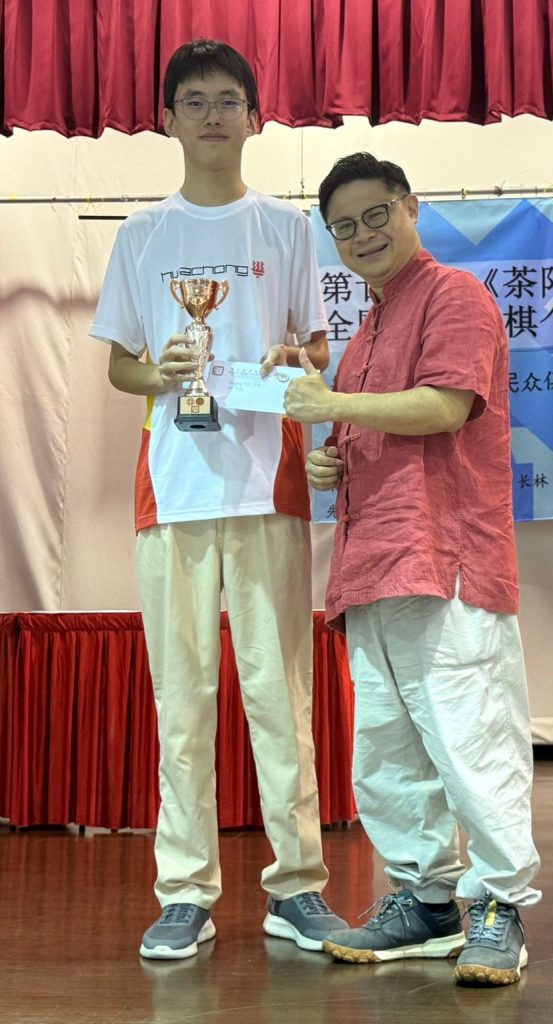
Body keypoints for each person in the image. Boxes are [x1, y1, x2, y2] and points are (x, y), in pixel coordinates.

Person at [89, 38, 346, 960]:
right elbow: (121, 366)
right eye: (192, 100)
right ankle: (185, 893)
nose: (210, 115)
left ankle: (297, 886)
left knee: (281, 697)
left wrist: (293, 358)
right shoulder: (142, 235)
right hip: (173, 489)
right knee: (184, 700)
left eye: (226, 100)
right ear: (167, 118)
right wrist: (160, 372)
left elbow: (316, 349)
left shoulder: (287, 228)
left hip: (268, 484)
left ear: (253, 116)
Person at [283, 152, 541, 987]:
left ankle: (498, 904)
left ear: (410, 208)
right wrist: (329, 459)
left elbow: (444, 406)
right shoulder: (364, 331)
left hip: (445, 557)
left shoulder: (454, 296)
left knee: (472, 740)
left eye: (374, 215)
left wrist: (331, 405)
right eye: (343, 227)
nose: (362, 235)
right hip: (371, 564)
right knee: (387, 755)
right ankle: (425, 901)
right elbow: (363, 431)